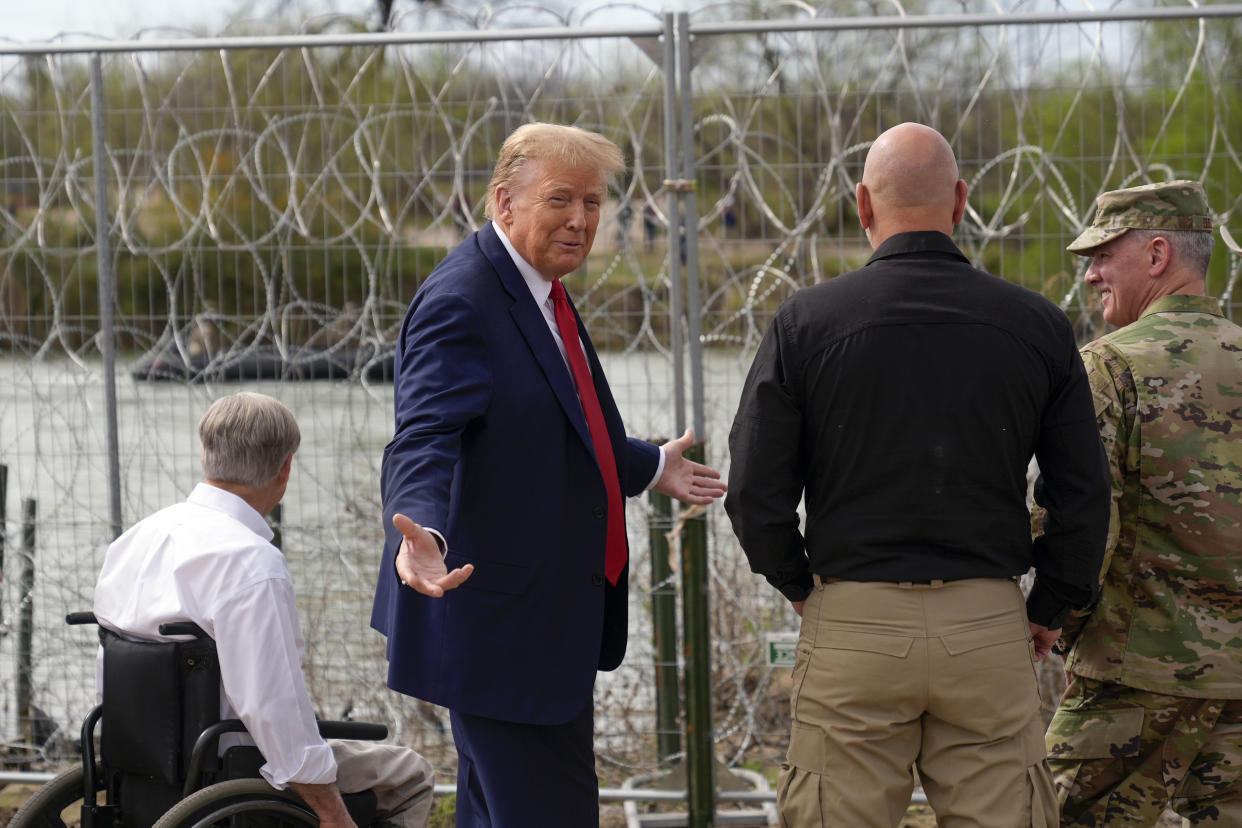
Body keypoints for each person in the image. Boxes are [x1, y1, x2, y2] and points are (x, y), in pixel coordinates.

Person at [724, 122, 1111, 827]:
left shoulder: (806, 323)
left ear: (863, 206)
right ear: (961, 201)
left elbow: (754, 486)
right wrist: (1047, 605)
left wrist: (796, 582)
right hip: (988, 622)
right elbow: (1083, 493)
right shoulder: (1036, 325)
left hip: (853, 619)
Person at [370, 122, 727, 826]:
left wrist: (651, 464)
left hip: (531, 629)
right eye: (560, 199)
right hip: (503, 633)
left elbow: (559, 421)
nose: (580, 220)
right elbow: (424, 436)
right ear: (504, 202)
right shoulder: (464, 301)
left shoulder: (538, 288)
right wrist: (420, 529)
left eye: (594, 203)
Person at [94, 392, 434, 828]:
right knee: (411, 775)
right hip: (233, 768)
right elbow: (272, 708)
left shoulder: (133, 541)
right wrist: (332, 812)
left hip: (141, 764)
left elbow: (108, 680)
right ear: (286, 468)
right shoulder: (251, 562)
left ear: (207, 454)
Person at [1046, 181, 1242, 826]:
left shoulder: (1108, 367)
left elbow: (1083, 520)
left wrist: (1053, 622)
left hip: (1136, 676)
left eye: (1104, 254)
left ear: (1158, 255)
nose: (1092, 273)